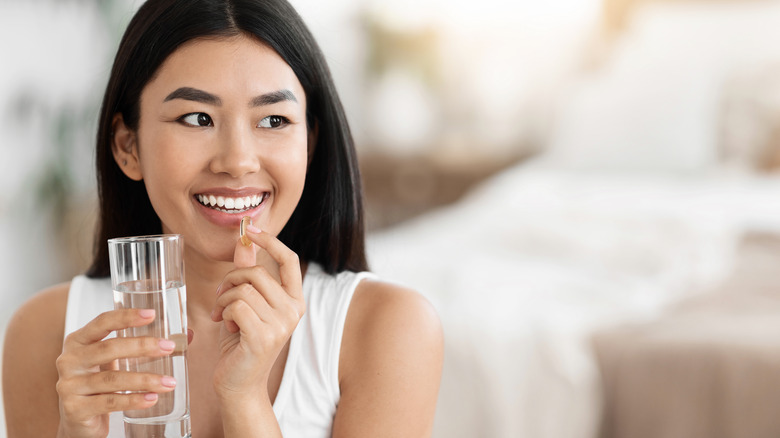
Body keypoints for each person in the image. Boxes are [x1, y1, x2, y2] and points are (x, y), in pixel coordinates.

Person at [2, 0, 444, 436]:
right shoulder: (45, 334)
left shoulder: (387, 329)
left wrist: (245, 400)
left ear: (308, 144)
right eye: (197, 118)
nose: (237, 161)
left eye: (273, 119)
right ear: (127, 147)